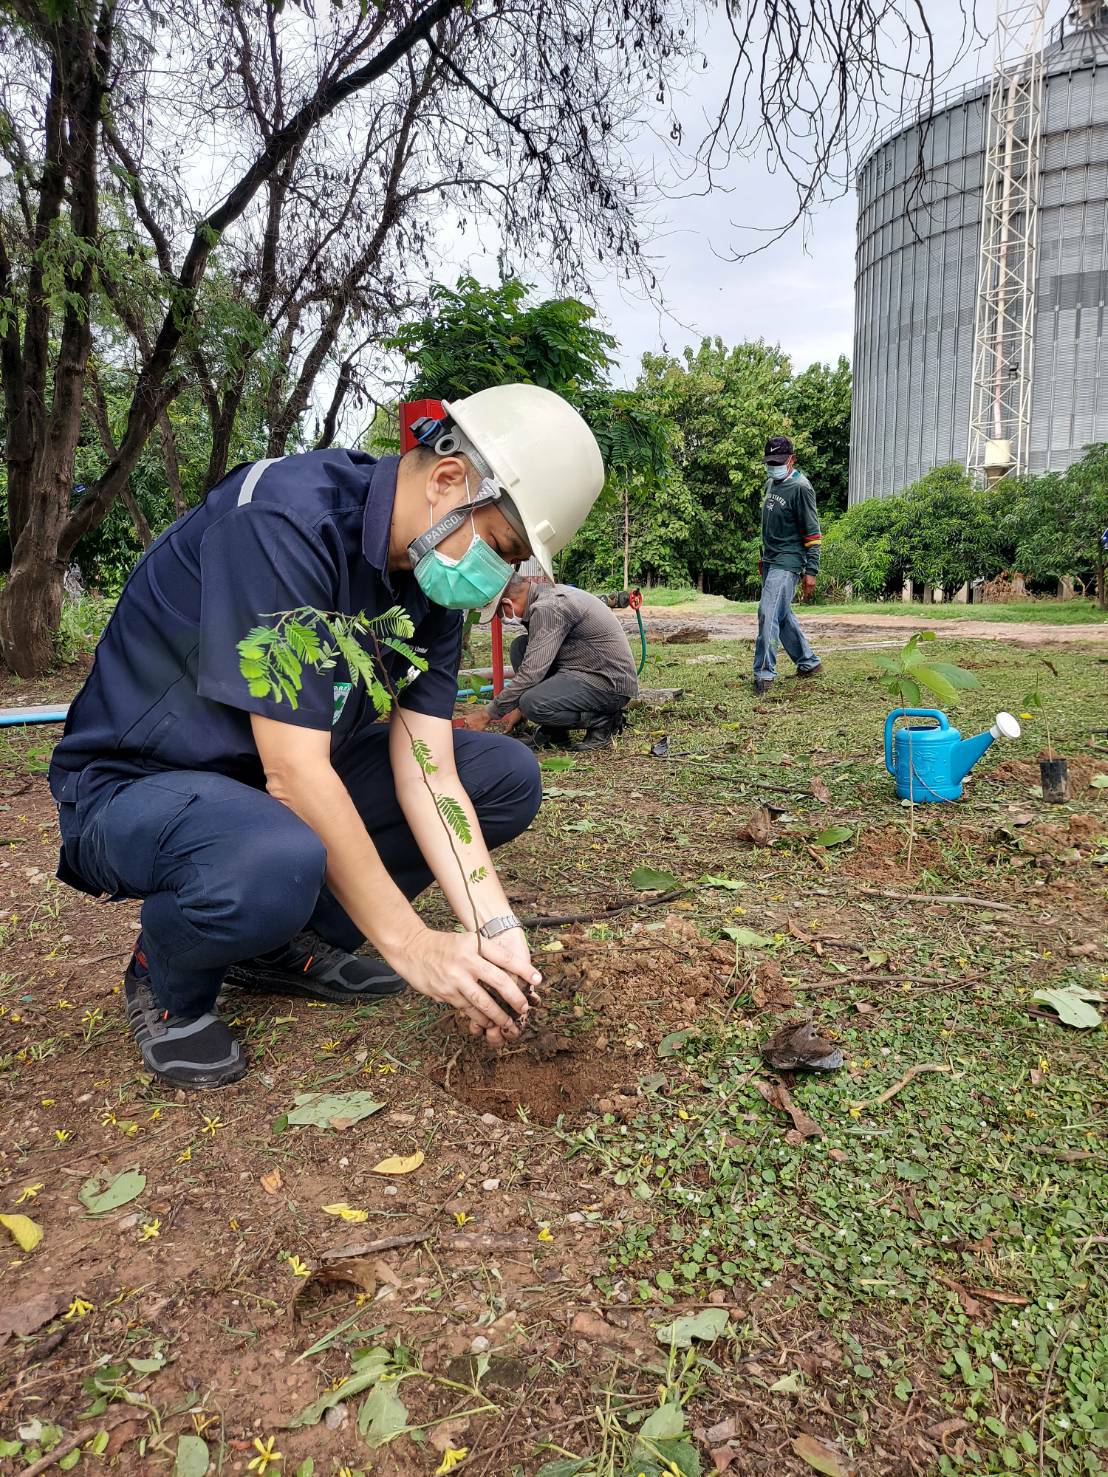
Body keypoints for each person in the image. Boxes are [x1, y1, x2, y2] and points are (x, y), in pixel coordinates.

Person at [48, 385, 604, 1089]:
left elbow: (431, 771)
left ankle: (272, 946)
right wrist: (410, 943)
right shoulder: (285, 522)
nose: (497, 580)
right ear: (447, 480)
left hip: (266, 796)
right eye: (500, 547)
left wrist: (495, 929)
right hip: (138, 787)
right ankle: (167, 985)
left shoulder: (429, 585)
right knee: (274, 851)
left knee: (503, 774)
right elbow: (294, 773)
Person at [463, 574, 638, 751]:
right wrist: (515, 705)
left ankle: (604, 721)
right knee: (520, 647)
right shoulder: (543, 596)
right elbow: (534, 659)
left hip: (608, 683)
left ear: (507, 604)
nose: (502, 618)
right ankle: (555, 731)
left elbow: (532, 673)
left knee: (532, 703)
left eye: (500, 613)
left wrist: (487, 714)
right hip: (582, 667)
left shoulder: (549, 608)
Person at [753, 435, 822, 696]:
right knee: (780, 615)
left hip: (790, 560)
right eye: (770, 462)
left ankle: (764, 674)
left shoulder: (801, 488)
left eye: (779, 461)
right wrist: (765, 560)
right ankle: (808, 662)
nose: (774, 466)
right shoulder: (771, 482)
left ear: (792, 459)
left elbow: (813, 534)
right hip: (771, 560)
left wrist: (811, 571)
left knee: (767, 612)